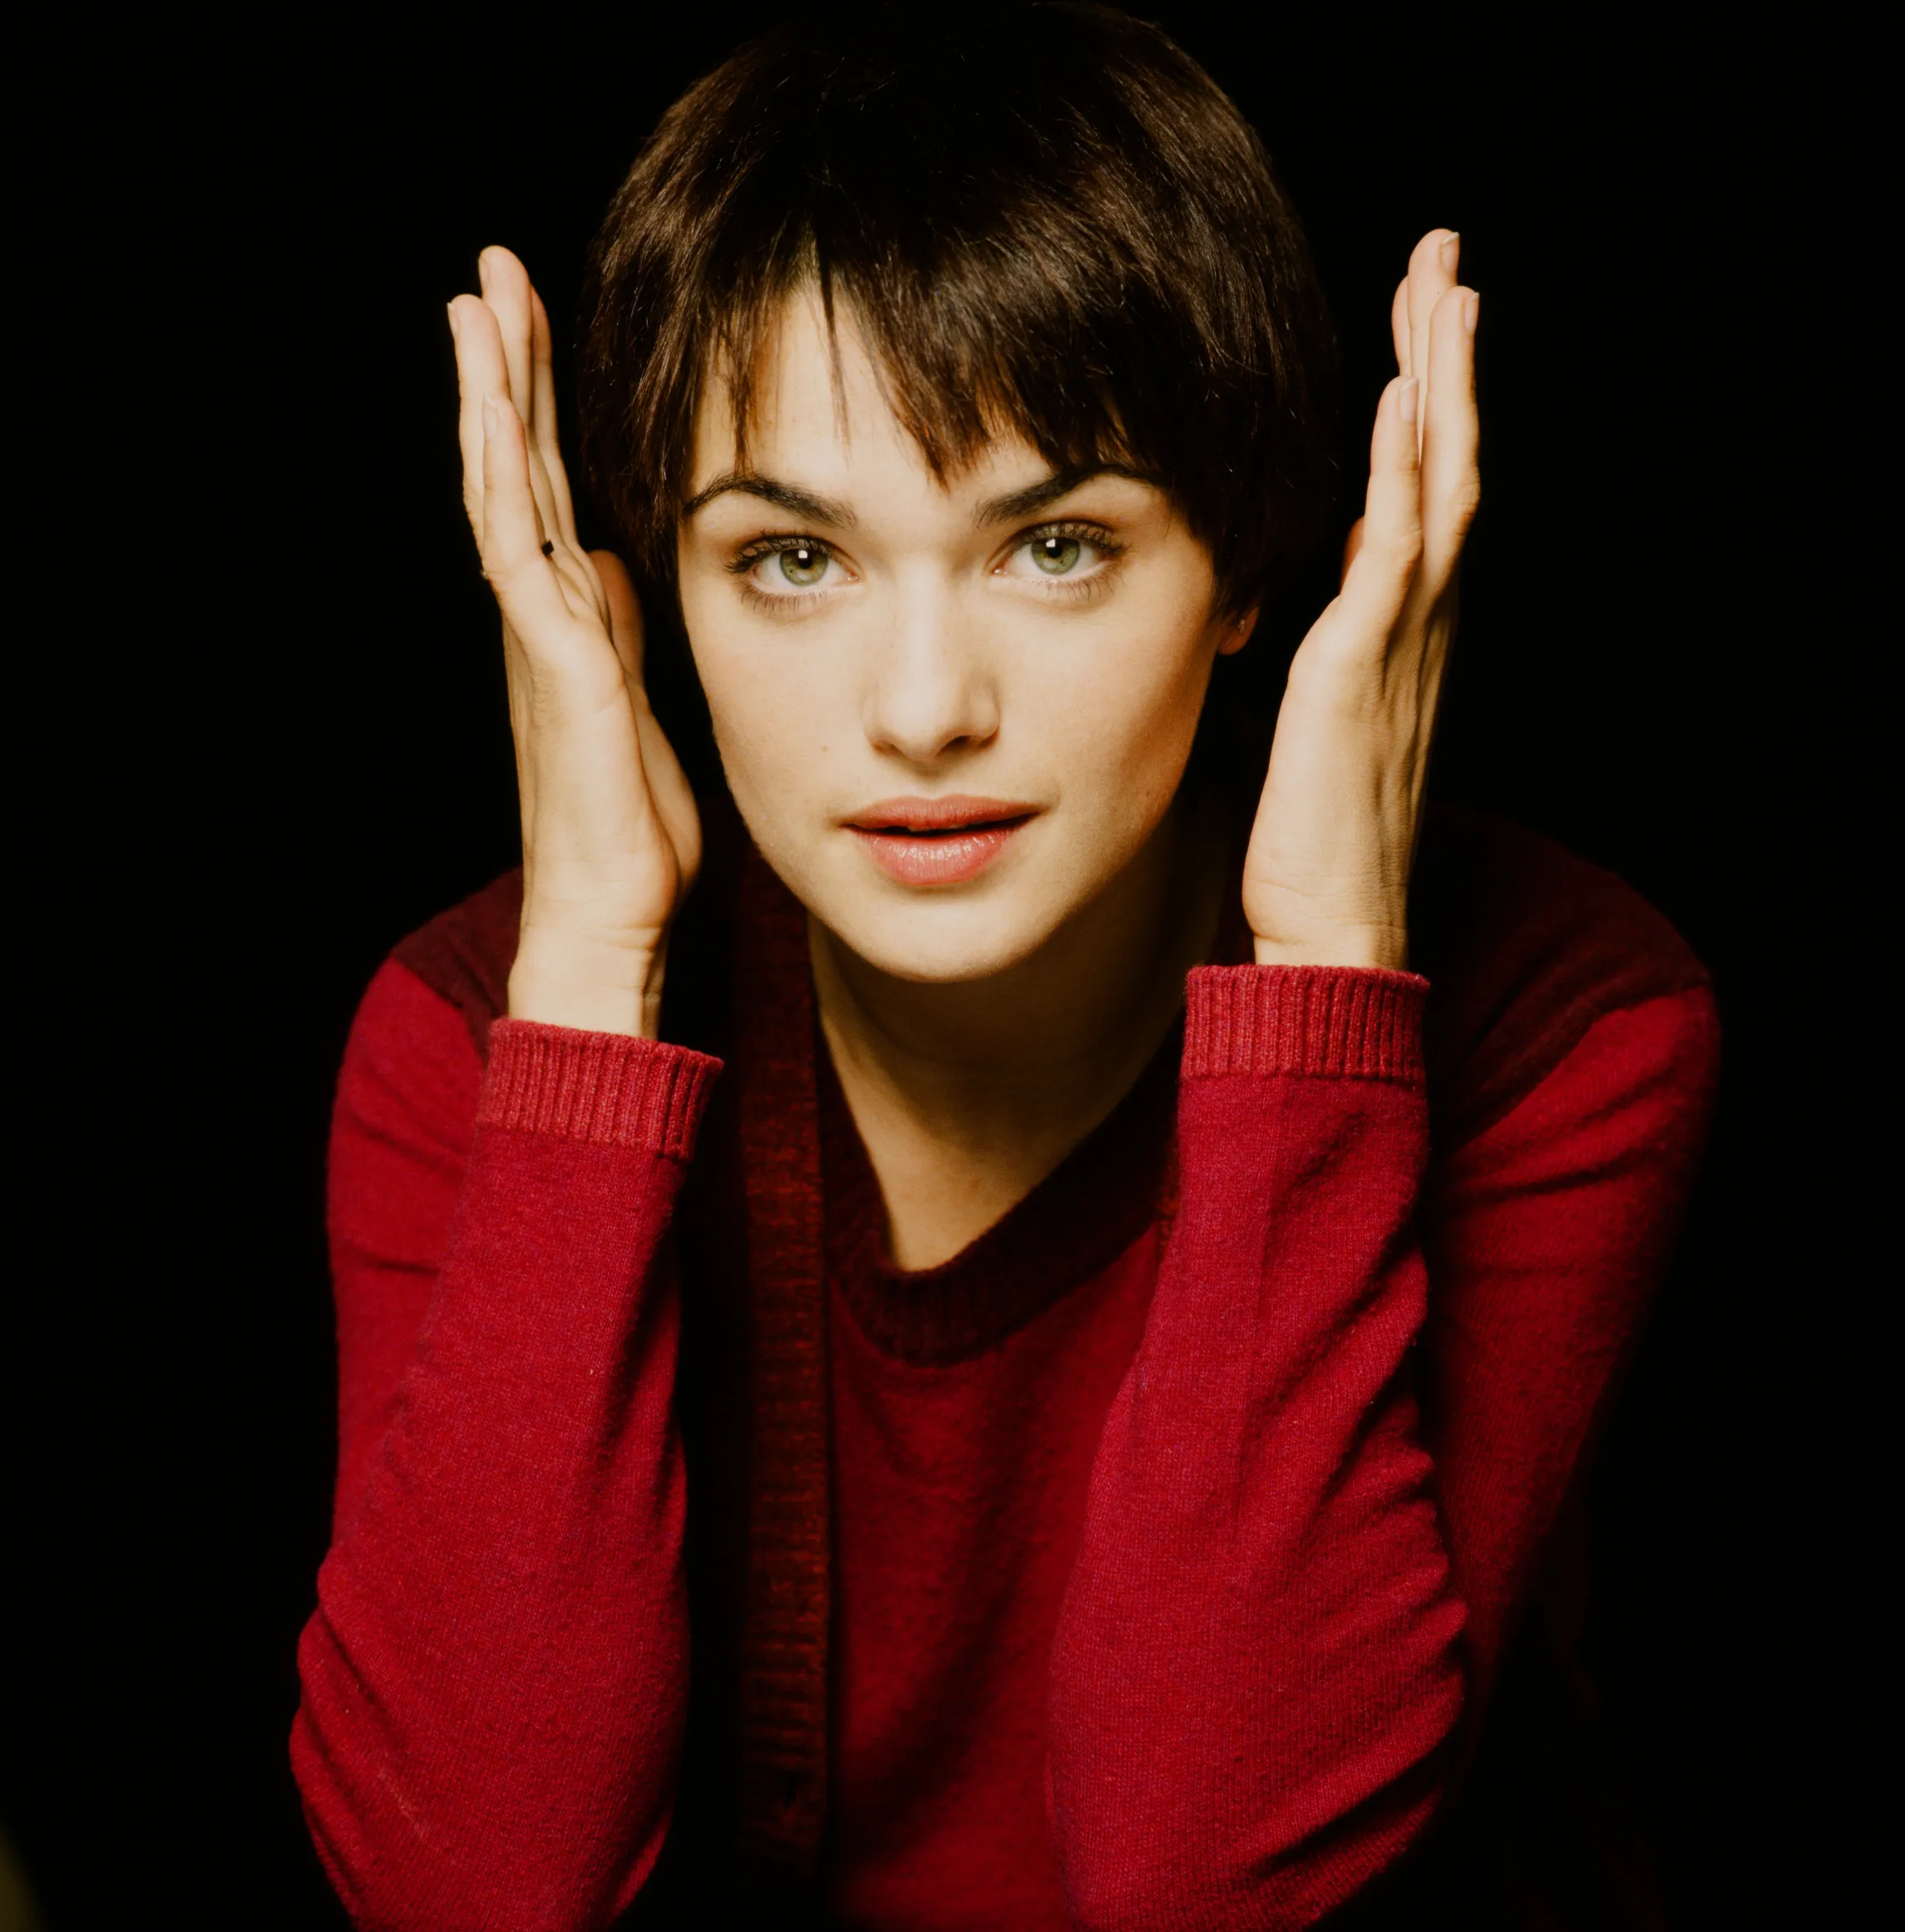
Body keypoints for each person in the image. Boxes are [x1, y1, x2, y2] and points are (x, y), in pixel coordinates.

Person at [291, 9, 1717, 1928]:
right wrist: (588, 968)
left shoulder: (1566, 1023)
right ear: (648, 595)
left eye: (1055, 544)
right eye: (790, 560)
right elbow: (468, 1887)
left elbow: (1208, 1873)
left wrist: (1322, 975)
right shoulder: (474, 1037)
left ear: (1243, 570)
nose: (921, 711)